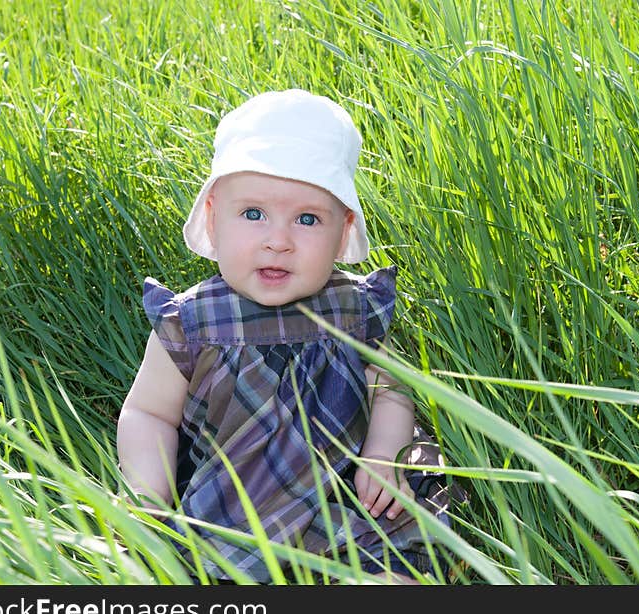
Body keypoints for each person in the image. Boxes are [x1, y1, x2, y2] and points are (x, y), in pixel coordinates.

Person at [116, 89, 461, 584]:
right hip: (231, 505)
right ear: (213, 219)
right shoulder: (191, 324)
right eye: (253, 214)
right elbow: (148, 412)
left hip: (344, 493)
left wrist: (383, 455)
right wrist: (149, 495)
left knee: (393, 571)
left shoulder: (354, 312)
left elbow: (392, 389)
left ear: (343, 233)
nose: (278, 240)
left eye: (307, 219)